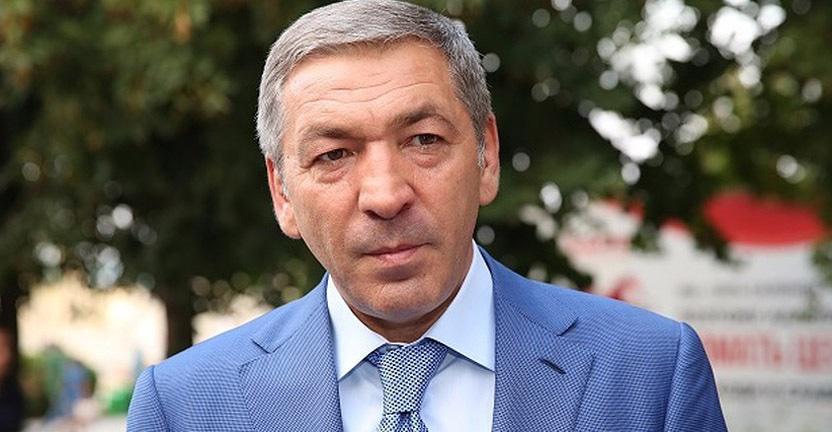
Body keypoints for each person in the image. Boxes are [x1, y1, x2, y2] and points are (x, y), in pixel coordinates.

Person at [127, 1, 727, 431]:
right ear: (282, 192)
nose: (386, 195)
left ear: (486, 156)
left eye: (423, 140)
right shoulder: (185, 407)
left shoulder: (649, 375)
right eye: (333, 154)